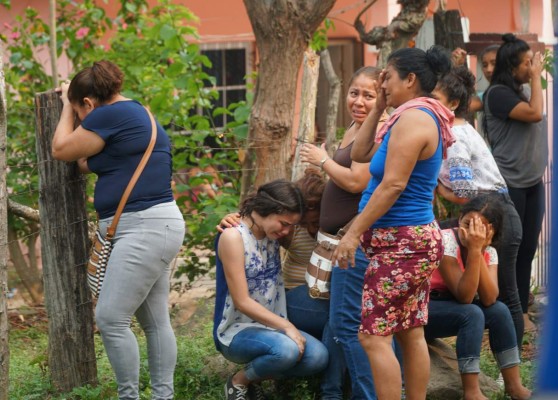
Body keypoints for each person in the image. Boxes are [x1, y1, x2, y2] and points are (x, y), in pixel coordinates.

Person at [52, 60, 186, 400]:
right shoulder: (136, 113)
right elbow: (83, 161)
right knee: (155, 322)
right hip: (156, 225)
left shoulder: (106, 114)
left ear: (88, 104)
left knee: (110, 319)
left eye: (82, 112)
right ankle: (162, 396)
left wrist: (67, 105)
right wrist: (75, 107)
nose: (83, 123)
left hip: (143, 228)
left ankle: (129, 396)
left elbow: (61, 149)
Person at [333, 46, 454, 400]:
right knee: (409, 331)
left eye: (388, 75)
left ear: (410, 79)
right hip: (405, 242)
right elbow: (359, 153)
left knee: (372, 336)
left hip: (402, 243)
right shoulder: (404, 115)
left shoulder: (417, 118)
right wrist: (382, 103)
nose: (382, 81)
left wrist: (353, 232)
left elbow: (394, 184)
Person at [300, 66, 384, 399]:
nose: (359, 101)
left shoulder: (375, 129)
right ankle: (332, 392)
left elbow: (356, 181)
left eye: (368, 95)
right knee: (338, 326)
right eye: (354, 93)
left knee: (348, 327)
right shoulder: (354, 127)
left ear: (382, 100)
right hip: (336, 245)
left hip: (353, 246)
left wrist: (323, 160)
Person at [433, 65, 525, 347]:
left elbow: (464, 192)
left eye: (435, 98)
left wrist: (439, 189)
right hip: (490, 210)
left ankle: (512, 368)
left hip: (492, 214)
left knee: (506, 297)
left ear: (454, 103)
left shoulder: (457, 136)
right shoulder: (459, 130)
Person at [213, 179, 328, 400]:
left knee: (318, 358)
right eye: (283, 223)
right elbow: (242, 301)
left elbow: (286, 192)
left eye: (291, 226)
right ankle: (238, 383)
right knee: (287, 350)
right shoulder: (233, 237)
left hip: (270, 326)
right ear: (266, 210)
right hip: (236, 331)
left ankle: (255, 377)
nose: (286, 231)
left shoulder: (270, 233)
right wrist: (287, 326)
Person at [425, 194, 532, 400]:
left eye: (480, 228)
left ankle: (514, 386)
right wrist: (475, 250)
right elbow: (464, 297)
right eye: (467, 224)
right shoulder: (445, 240)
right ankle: (472, 392)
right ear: (460, 218)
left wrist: (479, 250)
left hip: (452, 306)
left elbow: (490, 299)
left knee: (500, 311)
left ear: (490, 231)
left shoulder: (489, 251)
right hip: (426, 307)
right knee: (471, 313)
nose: (471, 232)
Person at [483, 33, 547, 333]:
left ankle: (521, 308)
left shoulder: (518, 92)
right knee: (513, 251)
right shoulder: (497, 94)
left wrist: (532, 79)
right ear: (512, 67)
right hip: (511, 184)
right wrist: (537, 77)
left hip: (532, 181)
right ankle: (514, 314)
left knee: (529, 248)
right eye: (525, 63)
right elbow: (535, 114)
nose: (530, 66)